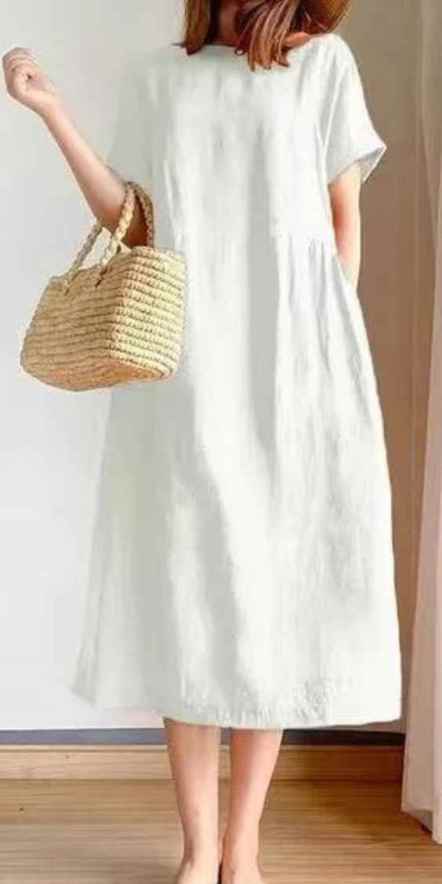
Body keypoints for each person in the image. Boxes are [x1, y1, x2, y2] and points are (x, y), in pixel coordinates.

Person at [3, 1, 402, 882]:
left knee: (270, 601)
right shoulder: (158, 78)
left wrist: (324, 356)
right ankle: (198, 850)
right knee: (190, 599)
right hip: (186, 365)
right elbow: (136, 219)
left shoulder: (322, 65)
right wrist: (52, 112)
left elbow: (343, 220)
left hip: (295, 367)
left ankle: (242, 849)